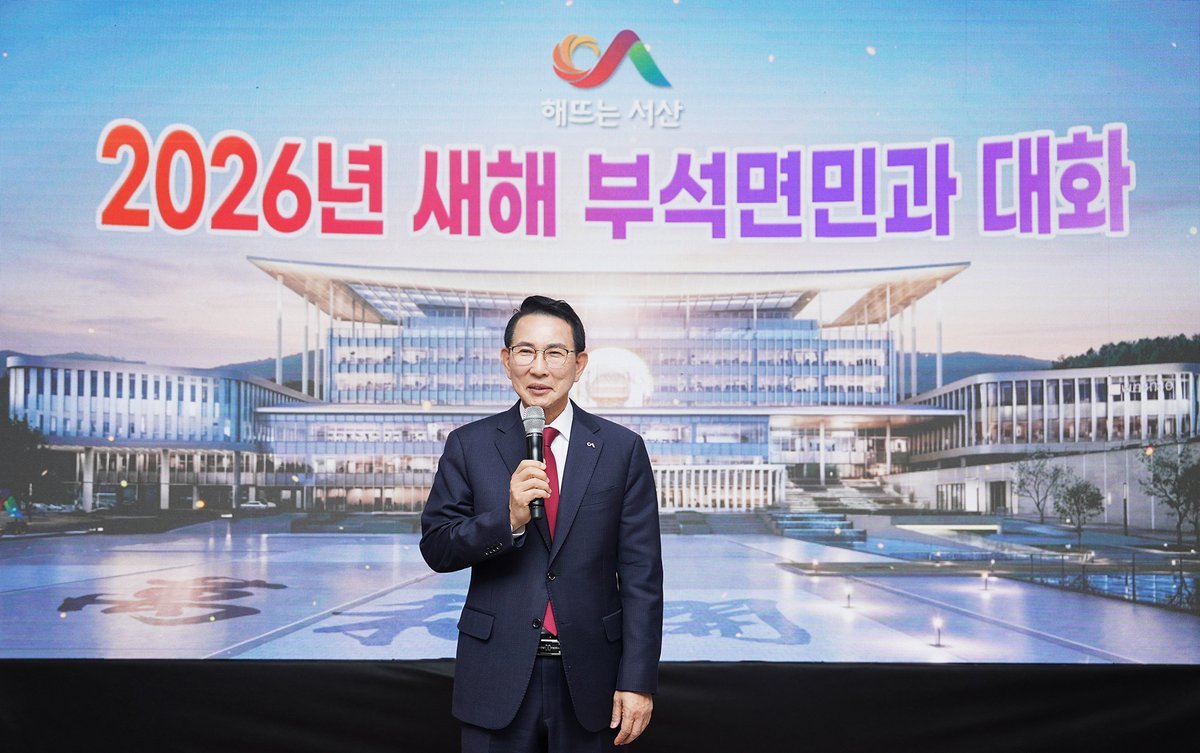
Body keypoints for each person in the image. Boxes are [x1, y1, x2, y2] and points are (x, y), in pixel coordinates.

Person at [421, 295, 664, 752]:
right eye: (526, 351)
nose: (539, 368)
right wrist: (507, 519)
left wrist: (638, 680)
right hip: (495, 670)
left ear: (579, 364)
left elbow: (641, 576)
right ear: (506, 360)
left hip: (591, 675)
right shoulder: (469, 445)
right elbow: (437, 547)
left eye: (555, 353)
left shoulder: (621, 449)